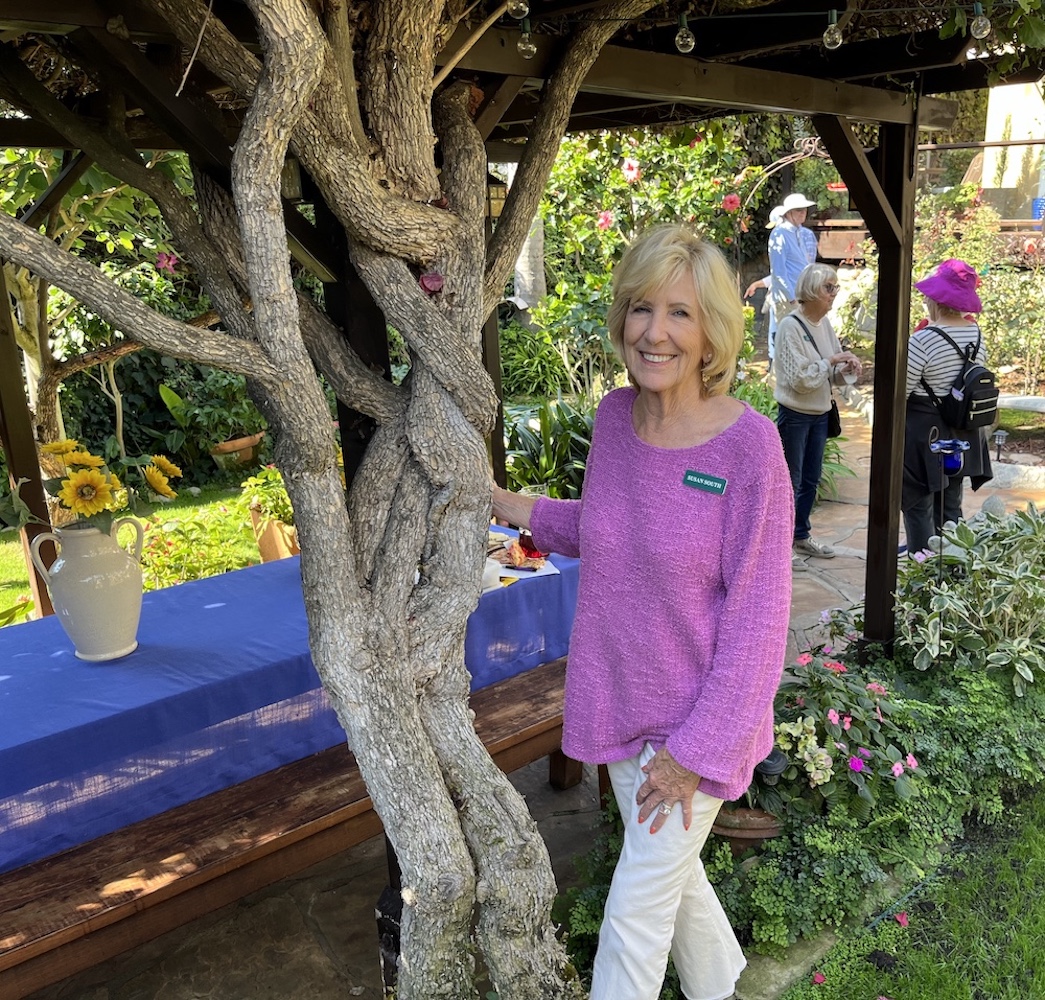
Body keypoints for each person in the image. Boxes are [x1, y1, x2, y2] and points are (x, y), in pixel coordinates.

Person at [491, 224, 793, 1000]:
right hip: (619, 702)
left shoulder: (749, 450)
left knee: (635, 909)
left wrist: (692, 753)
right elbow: (604, 525)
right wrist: (499, 502)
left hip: (694, 730)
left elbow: (759, 624)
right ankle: (719, 987)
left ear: (712, 333)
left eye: (680, 314)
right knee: (671, 881)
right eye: (640, 309)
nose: (654, 332)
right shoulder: (615, 419)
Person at [902, 258, 993, 554]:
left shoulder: (924, 340)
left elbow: (900, 391)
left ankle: (923, 573)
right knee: (950, 504)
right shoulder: (977, 336)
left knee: (918, 504)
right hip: (961, 433)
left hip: (925, 435)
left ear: (936, 300)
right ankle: (954, 569)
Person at [773, 263, 861, 567]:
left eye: (835, 287)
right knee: (791, 482)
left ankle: (801, 535)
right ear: (810, 291)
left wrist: (845, 368)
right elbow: (801, 379)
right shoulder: (790, 327)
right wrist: (831, 361)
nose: (834, 293)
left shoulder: (824, 325)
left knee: (810, 480)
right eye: (828, 287)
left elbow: (827, 375)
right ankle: (781, 546)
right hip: (795, 415)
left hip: (821, 414)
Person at [767, 193, 818, 326]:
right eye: (799, 210)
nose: (803, 213)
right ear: (788, 213)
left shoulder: (799, 232)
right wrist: (792, 299)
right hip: (788, 299)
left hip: (802, 295)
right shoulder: (779, 233)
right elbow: (778, 272)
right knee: (788, 341)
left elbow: (804, 264)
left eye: (805, 209)